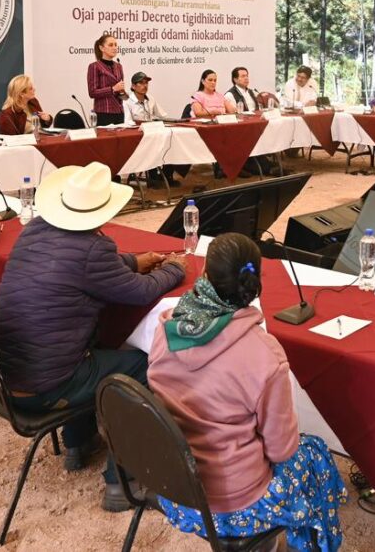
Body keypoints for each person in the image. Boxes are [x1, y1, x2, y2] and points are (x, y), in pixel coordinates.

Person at [0, 162, 187, 512]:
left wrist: (132, 261)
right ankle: (122, 482)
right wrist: (174, 269)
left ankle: (78, 442)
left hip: (10, 377)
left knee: (87, 349)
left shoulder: (36, 229)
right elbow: (140, 292)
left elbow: (79, 267)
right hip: (47, 387)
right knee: (145, 366)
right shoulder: (93, 250)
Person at [148, 233, 346, 552]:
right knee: (315, 454)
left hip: (176, 491)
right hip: (236, 506)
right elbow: (281, 450)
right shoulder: (264, 354)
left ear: (205, 275)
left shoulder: (166, 327)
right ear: (254, 284)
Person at [123, 73, 182, 187]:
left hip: (153, 133)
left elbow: (162, 115)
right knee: (153, 145)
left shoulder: (150, 99)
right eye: (141, 83)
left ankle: (167, 175)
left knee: (171, 142)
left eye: (146, 83)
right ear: (133, 86)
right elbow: (128, 122)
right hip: (139, 135)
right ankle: (153, 177)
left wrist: (173, 121)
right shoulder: (127, 101)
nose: (145, 85)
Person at [87, 34, 127, 127]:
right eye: (110, 45)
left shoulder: (119, 66)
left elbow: (121, 95)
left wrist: (123, 93)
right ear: (101, 48)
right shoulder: (94, 66)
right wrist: (113, 89)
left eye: (116, 45)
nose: (114, 47)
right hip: (104, 113)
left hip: (119, 113)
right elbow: (92, 92)